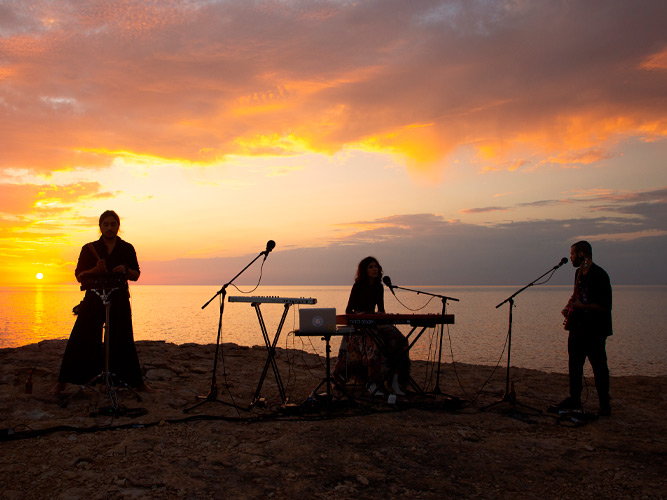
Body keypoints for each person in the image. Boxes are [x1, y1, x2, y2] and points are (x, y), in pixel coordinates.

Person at [51, 210, 151, 394]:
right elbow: (79, 276)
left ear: (118, 226)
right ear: (100, 226)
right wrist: (94, 270)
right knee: (81, 337)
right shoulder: (89, 248)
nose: (110, 228)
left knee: (123, 339)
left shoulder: (127, 248)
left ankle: (137, 383)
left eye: (113, 224)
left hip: (119, 298)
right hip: (93, 299)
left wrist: (125, 270)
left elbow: (136, 275)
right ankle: (63, 382)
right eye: (106, 224)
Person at [549, 241, 612, 416]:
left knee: (599, 366)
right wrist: (569, 306)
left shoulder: (599, 275)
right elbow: (576, 294)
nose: (570, 258)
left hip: (595, 330)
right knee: (574, 365)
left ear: (582, 254)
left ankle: (604, 405)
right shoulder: (578, 273)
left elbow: (605, 307)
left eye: (573, 254)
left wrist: (582, 307)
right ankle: (574, 398)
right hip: (578, 328)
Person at [333, 256, 410, 396]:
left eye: (376, 266)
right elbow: (348, 310)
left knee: (400, 340)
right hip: (362, 324)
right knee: (375, 344)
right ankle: (372, 382)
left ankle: (395, 381)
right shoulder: (357, 286)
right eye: (371, 267)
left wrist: (382, 317)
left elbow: (381, 309)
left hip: (375, 322)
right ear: (364, 270)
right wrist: (361, 316)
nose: (375, 269)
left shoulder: (379, 287)